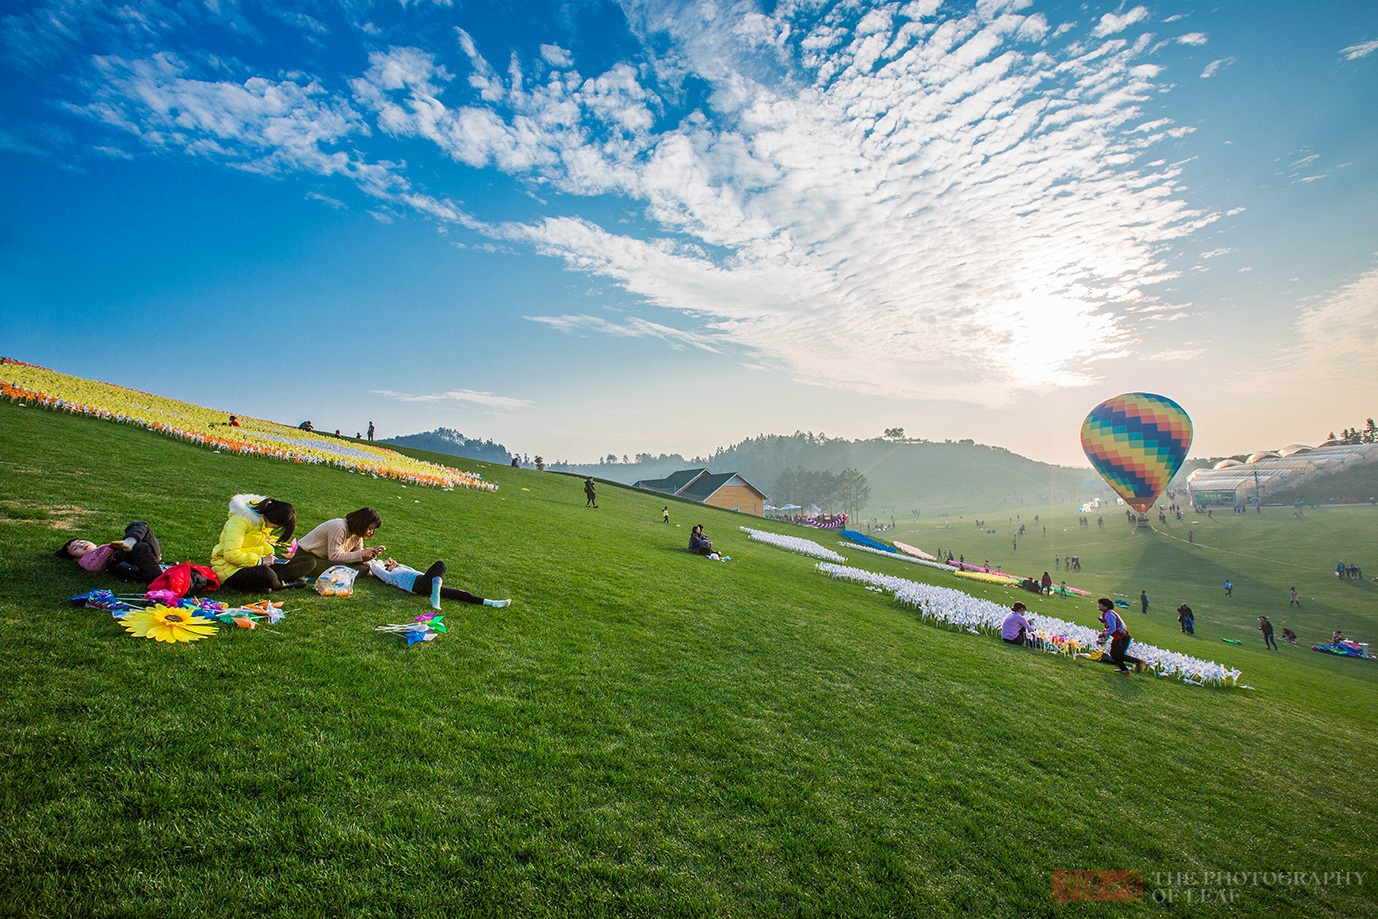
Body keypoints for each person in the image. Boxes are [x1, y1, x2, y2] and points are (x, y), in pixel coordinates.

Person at [210, 494, 315, 592]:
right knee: (265, 573)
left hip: (253, 565)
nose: (274, 529)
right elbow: (231, 555)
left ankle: (270, 582)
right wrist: (260, 561)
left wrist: (271, 555)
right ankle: (280, 584)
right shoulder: (240, 521)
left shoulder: (263, 522)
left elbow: (258, 543)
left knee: (308, 562)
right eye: (275, 527)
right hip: (230, 570)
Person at [367, 558, 510, 610]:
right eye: (391, 564)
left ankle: (492, 603)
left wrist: (397, 564)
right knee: (440, 564)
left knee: (461, 594)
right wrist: (381, 563)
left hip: (427, 586)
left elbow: (401, 566)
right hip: (418, 585)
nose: (395, 564)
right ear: (388, 569)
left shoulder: (403, 569)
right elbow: (374, 568)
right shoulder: (391, 576)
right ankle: (435, 596)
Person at [57, 521, 164, 584]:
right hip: (126, 558)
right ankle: (159, 580)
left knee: (141, 525)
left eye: (81, 541)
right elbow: (95, 567)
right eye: (75, 548)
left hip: (135, 552)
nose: (81, 545)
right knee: (140, 547)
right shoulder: (85, 559)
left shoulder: (104, 547)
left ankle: (131, 541)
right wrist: (111, 548)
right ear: (76, 559)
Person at [296, 508, 385, 576]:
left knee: (364, 567)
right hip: (308, 557)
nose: (371, 532)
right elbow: (334, 556)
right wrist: (361, 554)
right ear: (361, 524)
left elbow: (356, 555)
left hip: (326, 559)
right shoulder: (339, 527)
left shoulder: (357, 534)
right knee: (341, 566)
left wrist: (371, 554)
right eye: (370, 529)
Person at [1096, 598, 1145, 673]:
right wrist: (1103, 635)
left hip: (1122, 638)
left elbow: (1112, 628)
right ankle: (1124, 669)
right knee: (1113, 654)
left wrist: (1104, 634)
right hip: (1118, 637)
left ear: (1106, 607)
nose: (1098, 606)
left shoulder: (1109, 614)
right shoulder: (1106, 614)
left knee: (1118, 655)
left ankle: (1138, 662)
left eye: (1100, 604)